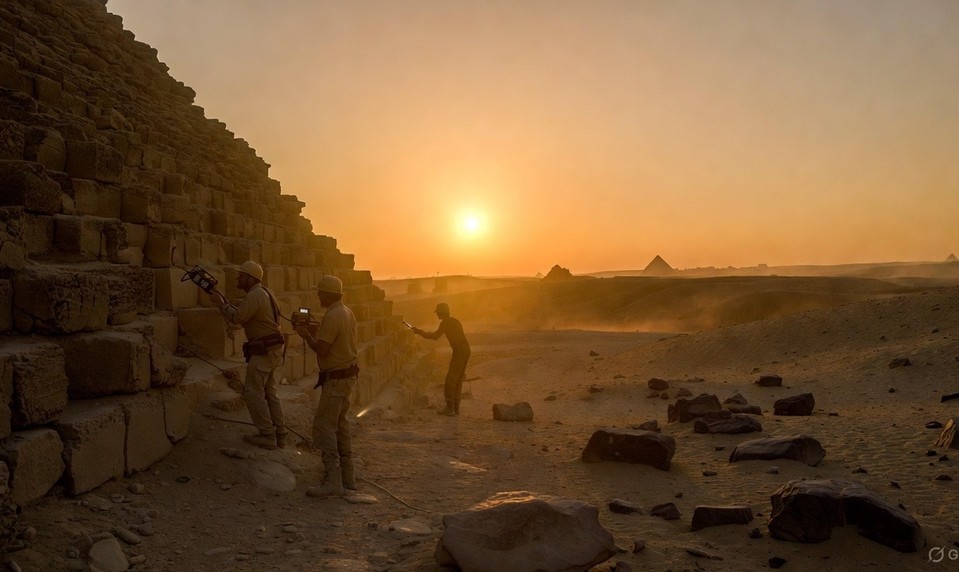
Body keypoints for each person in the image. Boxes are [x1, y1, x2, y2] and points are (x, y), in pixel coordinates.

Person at [294, 275, 359, 498]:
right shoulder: (346, 311)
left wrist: (305, 335)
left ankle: (332, 480)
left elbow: (322, 349)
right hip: (347, 375)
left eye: (321, 293)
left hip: (337, 379)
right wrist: (316, 331)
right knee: (340, 425)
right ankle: (348, 478)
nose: (318, 296)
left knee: (324, 426)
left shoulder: (332, 316)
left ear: (329, 294)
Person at [211, 260, 287, 450]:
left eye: (241, 276)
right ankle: (280, 433)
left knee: (253, 393)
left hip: (264, 351)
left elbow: (237, 318)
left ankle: (267, 435)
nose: (238, 279)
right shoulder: (266, 292)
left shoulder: (255, 295)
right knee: (270, 392)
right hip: (273, 350)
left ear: (250, 278)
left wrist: (220, 304)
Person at [412, 302, 470, 416]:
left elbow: (435, 336)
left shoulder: (445, 322)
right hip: (466, 350)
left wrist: (419, 332)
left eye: (437, 313)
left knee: (450, 380)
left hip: (459, 352)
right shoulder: (455, 320)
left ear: (441, 312)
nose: (437, 315)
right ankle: (456, 408)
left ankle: (450, 408)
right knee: (457, 380)